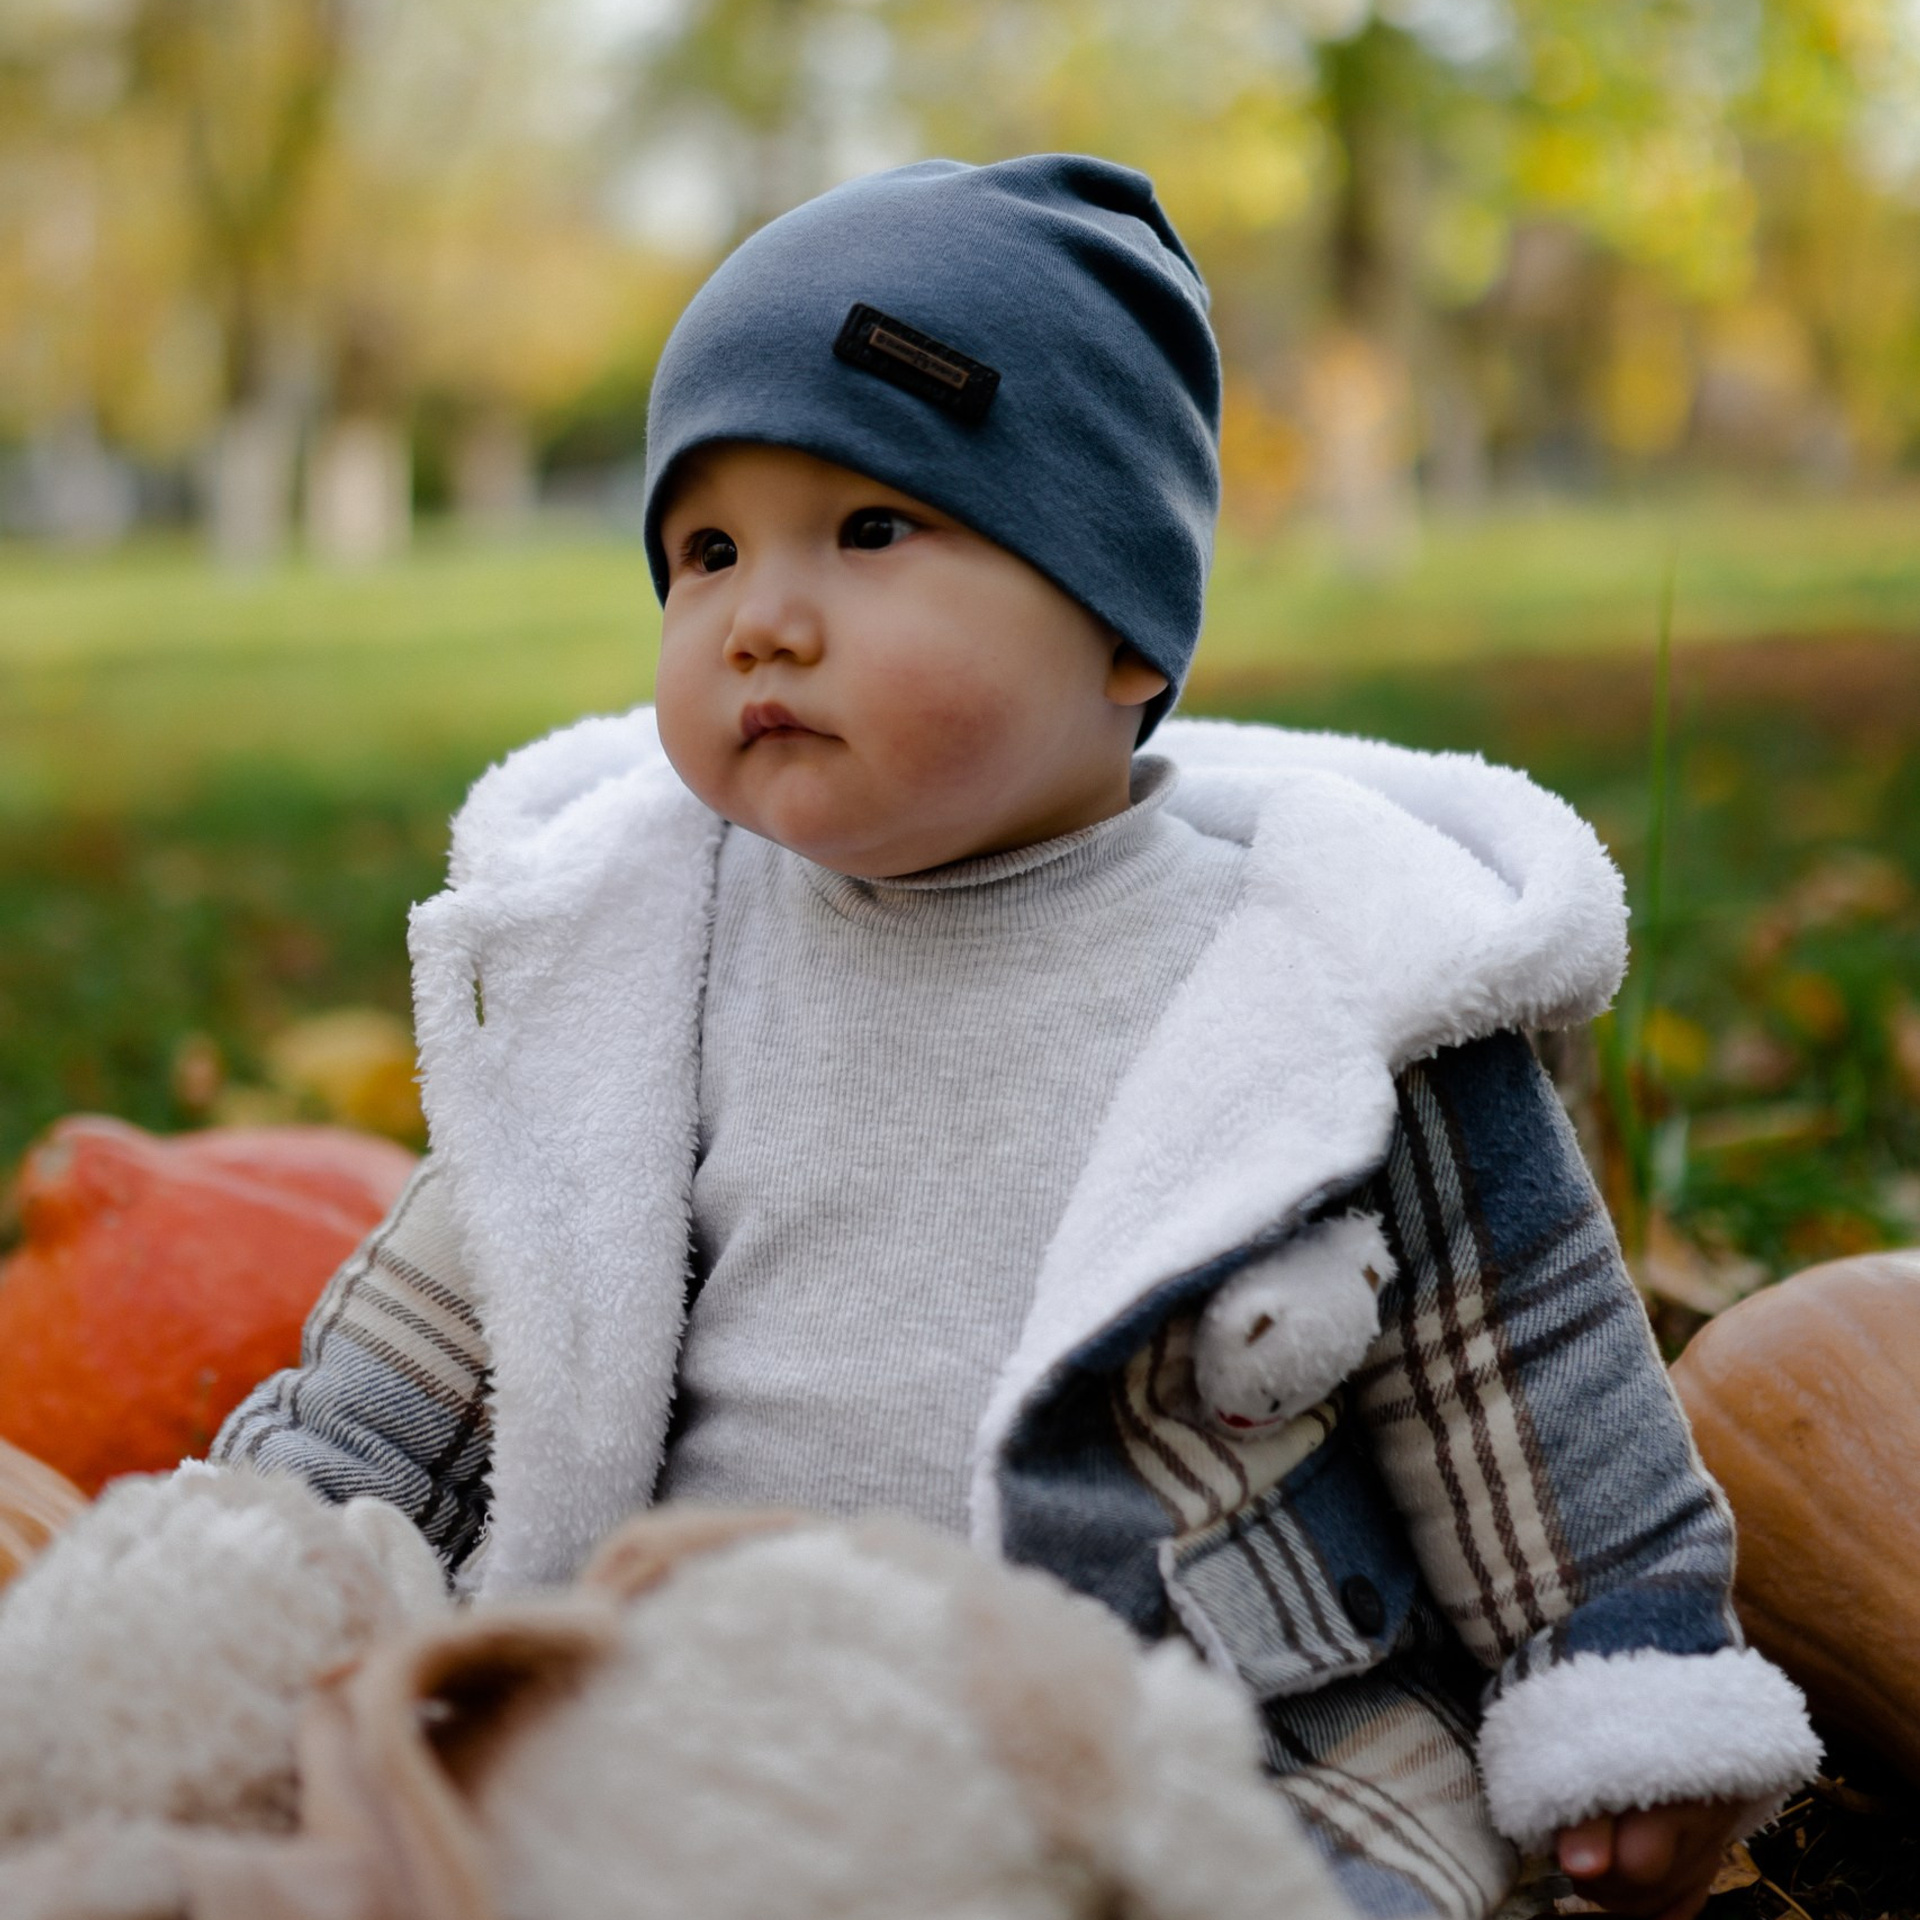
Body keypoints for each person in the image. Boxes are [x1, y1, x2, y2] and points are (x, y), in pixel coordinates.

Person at [214, 155, 1818, 1920]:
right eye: (707, 550)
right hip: (706, 1691)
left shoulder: (1316, 981)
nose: (761, 613)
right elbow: (459, 1316)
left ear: (1124, 623)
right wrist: (275, 1550)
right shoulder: (644, 961)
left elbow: (1521, 1373)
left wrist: (1622, 1673)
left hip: (1206, 1712)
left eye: (873, 528)